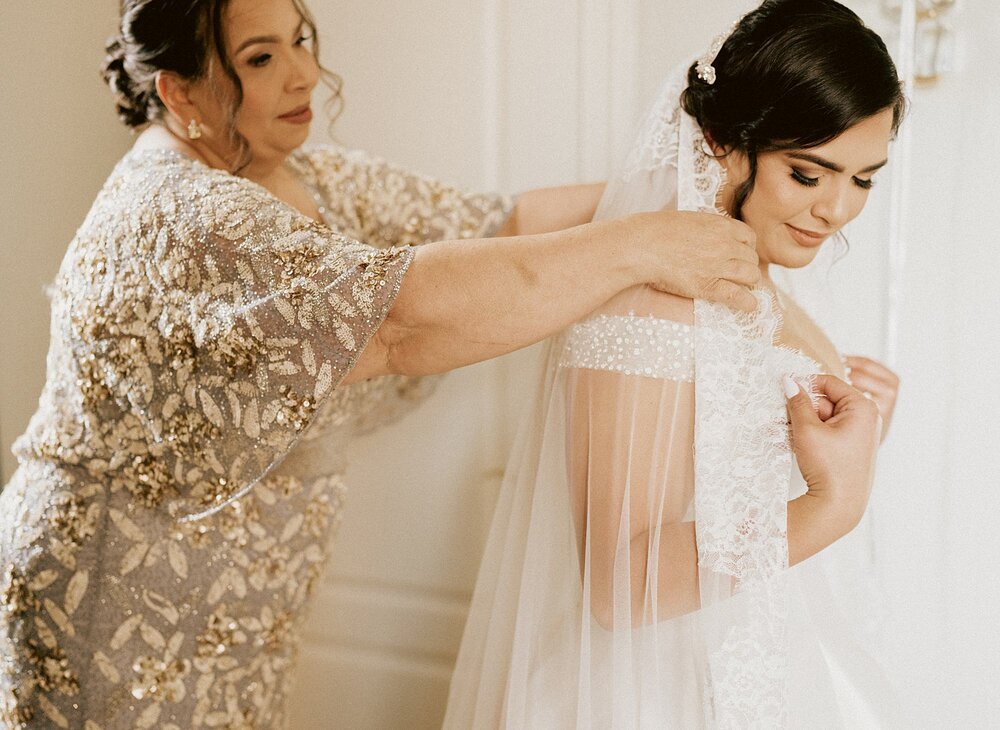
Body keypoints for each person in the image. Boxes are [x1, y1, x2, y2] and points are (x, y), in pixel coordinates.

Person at [0, 0, 772, 726]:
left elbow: (502, 224)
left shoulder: (302, 175)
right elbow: (395, 325)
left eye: (300, 39)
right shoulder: (176, 214)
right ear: (180, 91)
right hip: (116, 607)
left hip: (240, 607)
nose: (302, 73)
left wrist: (702, 191)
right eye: (260, 57)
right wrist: (640, 245)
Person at [444, 1, 904, 727]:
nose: (838, 210)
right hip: (655, 693)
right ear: (722, 139)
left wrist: (854, 422)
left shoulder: (753, 260)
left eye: (864, 179)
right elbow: (619, 587)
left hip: (753, 664)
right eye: (810, 174)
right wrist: (829, 506)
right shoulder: (654, 304)